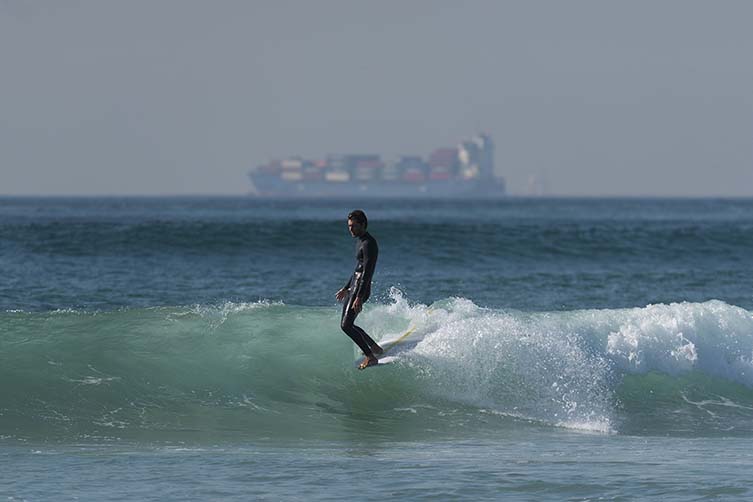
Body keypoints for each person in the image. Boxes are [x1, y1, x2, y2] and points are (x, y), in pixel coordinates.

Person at [336, 209, 383, 369]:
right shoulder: (361, 241)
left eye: (354, 226)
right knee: (348, 324)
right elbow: (358, 268)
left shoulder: (369, 244)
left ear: (363, 224)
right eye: (349, 226)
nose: (351, 229)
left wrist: (359, 297)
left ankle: (371, 357)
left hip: (360, 289)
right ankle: (374, 348)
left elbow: (367, 273)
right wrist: (346, 287)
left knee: (346, 326)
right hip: (354, 287)